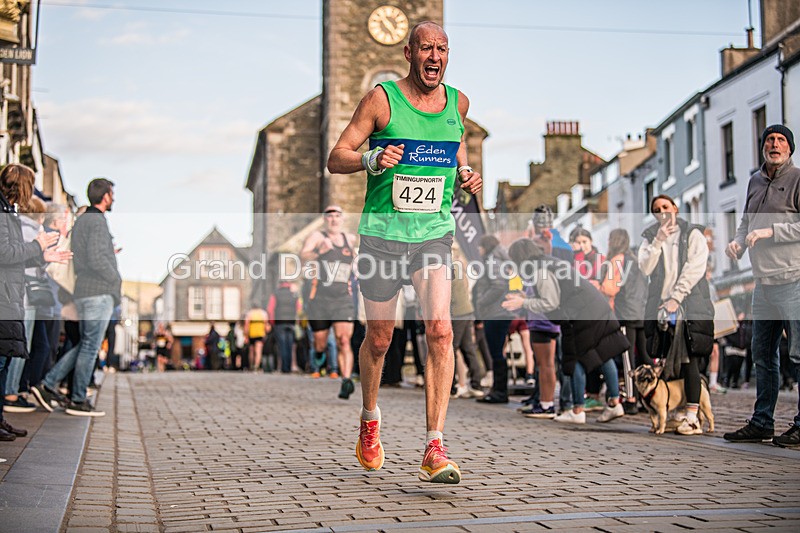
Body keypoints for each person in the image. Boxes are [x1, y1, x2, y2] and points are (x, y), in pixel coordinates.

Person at [326, 21, 482, 484]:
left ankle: (434, 445)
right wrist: (372, 159)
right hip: (382, 234)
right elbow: (337, 156)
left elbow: (455, 154)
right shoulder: (382, 99)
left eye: (443, 49)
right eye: (426, 49)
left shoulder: (459, 103)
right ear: (410, 52)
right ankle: (369, 420)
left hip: (433, 233)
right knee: (380, 338)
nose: (435, 57)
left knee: (439, 330)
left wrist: (467, 175)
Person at [724, 125, 800, 448]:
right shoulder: (755, 181)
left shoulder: (797, 179)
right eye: (769, 140)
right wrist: (738, 242)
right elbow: (746, 221)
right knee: (762, 354)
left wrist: (771, 233)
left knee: (798, 355)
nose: (774, 144)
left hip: (793, 278)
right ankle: (762, 421)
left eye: (781, 140)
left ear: (790, 148)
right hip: (762, 283)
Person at [503, 238, 629, 425]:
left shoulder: (541, 271)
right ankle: (614, 403)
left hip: (581, 313)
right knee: (604, 352)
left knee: (575, 357)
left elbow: (550, 302)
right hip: (595, 307)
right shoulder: (549, 262)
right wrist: (525, 297)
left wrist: (523, 302)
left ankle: (577, 410)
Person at [30, 178, 119, 417]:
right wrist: (115, 279)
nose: (113, 198)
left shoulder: (82, 220)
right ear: (106, 196)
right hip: (97, 291)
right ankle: (77, 398)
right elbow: (97, 257)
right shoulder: (97, 221)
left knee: (85, 344)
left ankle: (48, 384)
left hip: (84, 290)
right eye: (112, 193)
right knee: (89, 346)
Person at [1, 164, 70, 440]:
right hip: (6, 294)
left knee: (6, 357)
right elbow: (5, 252)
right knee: (4, 358)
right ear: (22, 186)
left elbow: (14, 255)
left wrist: (42, 257)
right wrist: (38, 247)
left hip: (10, 292)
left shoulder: (9, 211)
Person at [639, 194, 714, 435]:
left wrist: (676, 297)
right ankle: (678, 412)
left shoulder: (692, 234)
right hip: (661, 307)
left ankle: (693, 416)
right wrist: (658, 241)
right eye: (656, 209)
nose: (662, 211)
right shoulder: (651, 237)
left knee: (690, 358)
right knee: (669, 359)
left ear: (675, 208)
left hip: (689, 303)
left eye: (665, 206)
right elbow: (645, 267)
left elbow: (695, 268)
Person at [300, 205, 356, 398]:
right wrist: (319, 252)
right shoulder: (318, 237)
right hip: (320, 299)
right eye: (330, 216)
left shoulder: (350, 240)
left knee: (343, 340)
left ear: (342, 219)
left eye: (337, 216)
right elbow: (303, 256)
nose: (334, 219)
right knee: (320, 344)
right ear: (325, 219)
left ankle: (346, 380)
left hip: (342, 298)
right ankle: (318, 353)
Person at [599, 228, 649, 415]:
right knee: (645, 356)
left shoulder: (616, 261)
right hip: (641, 312)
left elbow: (609, 288)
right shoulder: (635, 261)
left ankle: (630, 398)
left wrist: (600, 285)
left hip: (624, 314)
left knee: (628, 357)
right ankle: (650, 395)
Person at [473, 235, 515, 404]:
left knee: (496, 353)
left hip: (495, 312)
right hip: (499, 312)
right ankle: (498, 389)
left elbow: (498, 285)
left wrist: (482, 302)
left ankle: (499, 391)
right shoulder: (498, 259)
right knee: (498, 352)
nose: (478, 249)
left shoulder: (492, 261)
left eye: (480, 246)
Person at [267, 280, 300, 374]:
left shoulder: (275, 294)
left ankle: (284, 368)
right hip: (291, 323)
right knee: (290, 345)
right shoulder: (294, 295)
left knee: (282, 346)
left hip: (279, 323)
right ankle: (289, 367)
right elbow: (299, 309)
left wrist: (272, 322)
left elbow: (270, 309)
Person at [243, 306, 269, 372]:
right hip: (260, 333)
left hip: (251, 334)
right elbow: (266, 324)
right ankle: (256, 366)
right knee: (258, 351)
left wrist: (246, 335)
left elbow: (246, 325)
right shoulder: (263, 313)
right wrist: (265, 333)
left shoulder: (250, 313)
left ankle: (251, 365)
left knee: (251, 351)